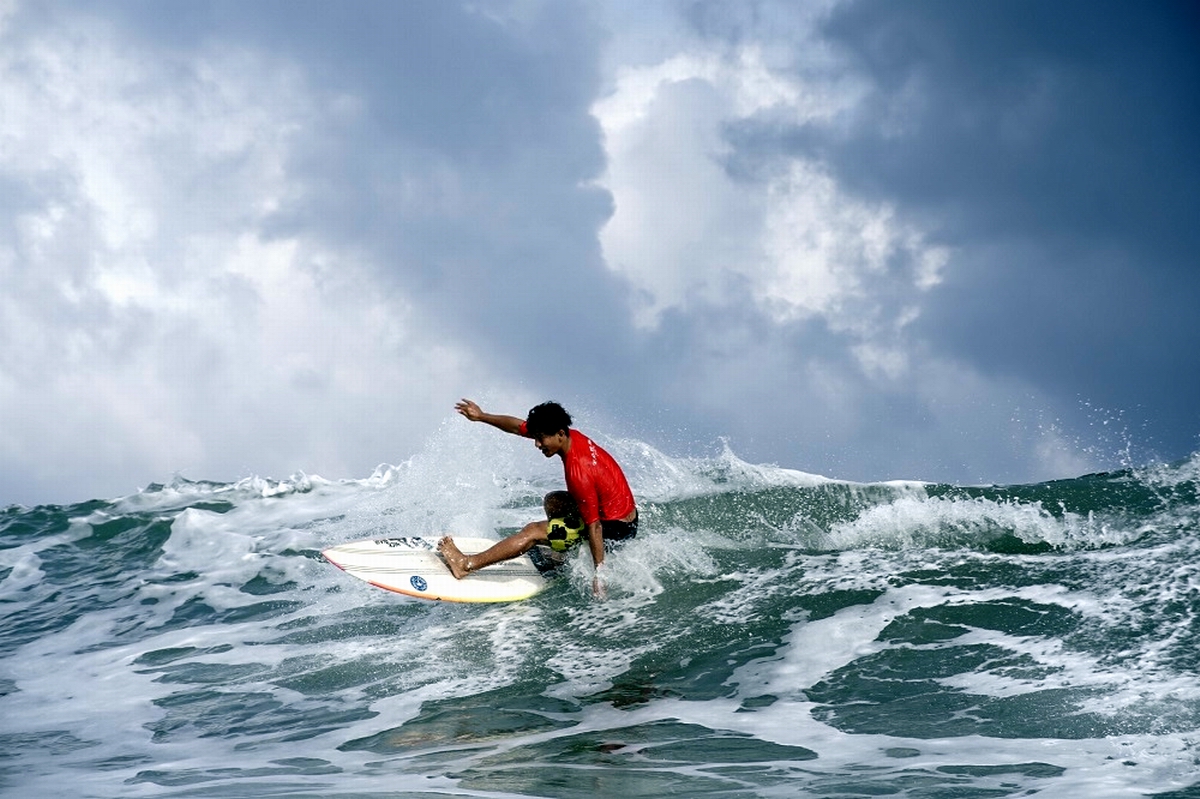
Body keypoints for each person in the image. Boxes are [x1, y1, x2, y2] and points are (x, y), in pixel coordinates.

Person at [439, 399, 638, 597]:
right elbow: (517, 427)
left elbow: (595, 526)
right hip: (626, 514)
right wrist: (482, 416)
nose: (537, 444)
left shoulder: (579, 472)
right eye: (535, 437)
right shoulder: (570, 436)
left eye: (541, 439)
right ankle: (559, 556)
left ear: (560, 434)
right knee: (554, 502)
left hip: (616, 528)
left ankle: (466, 565)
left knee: (533, 531)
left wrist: (599, 576)